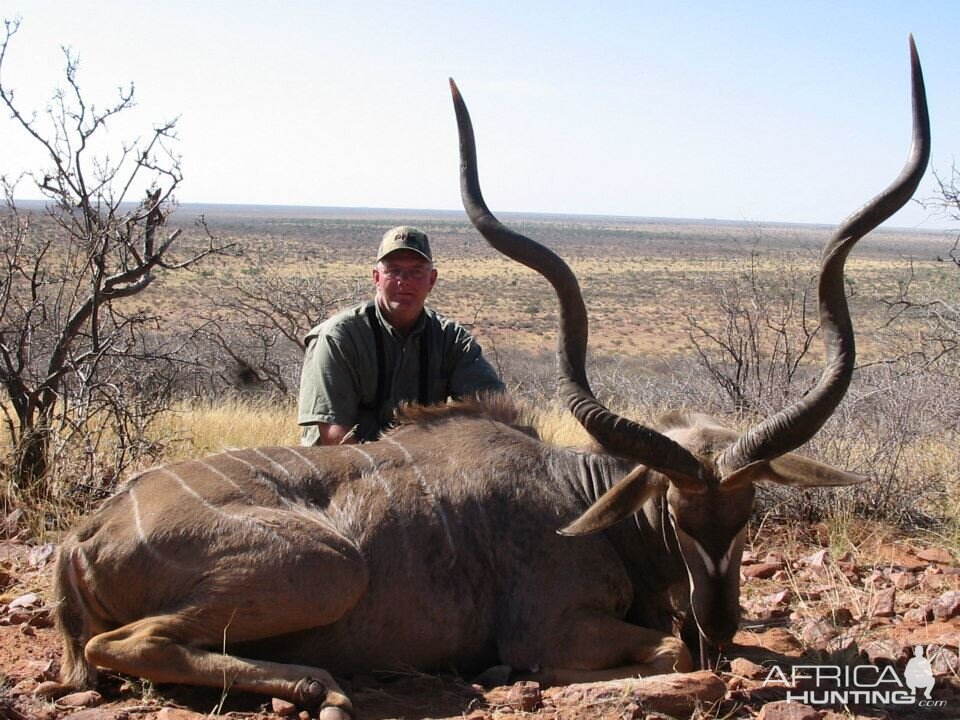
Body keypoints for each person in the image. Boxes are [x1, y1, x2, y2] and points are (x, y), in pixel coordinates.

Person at [298, 225, 505, 445]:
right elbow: (333, 434)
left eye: (416, 271)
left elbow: (497, 410)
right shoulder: (338, 337)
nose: (403, 280)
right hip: (348, 468)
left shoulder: (451, 340)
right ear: (377, 278)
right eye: (393, 270)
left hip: (418, 465)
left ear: (432, 280)